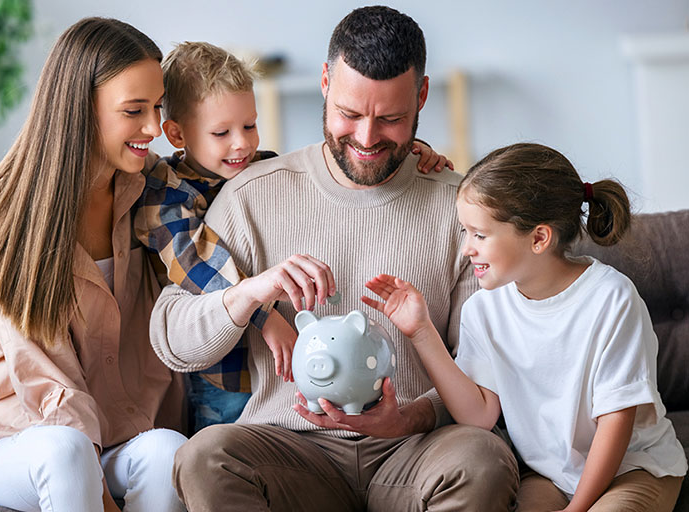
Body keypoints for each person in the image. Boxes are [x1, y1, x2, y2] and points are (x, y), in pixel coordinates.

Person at [150, 6, 518, 511]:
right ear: (325, 82)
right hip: (289, 449)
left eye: (390, 119)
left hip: (417, 449)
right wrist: (249, 294)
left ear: (422, 97)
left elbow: (486, 374)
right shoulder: (251, 193)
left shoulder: (461, 207)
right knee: (204, 457)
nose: (367, 139)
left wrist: (408, 418)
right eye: (350, 114)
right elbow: (171, 340)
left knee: (482, 459)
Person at [133, 41, 449, 433]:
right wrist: (266, 317)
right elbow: (197, 267)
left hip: (273, 373)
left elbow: (333, 157)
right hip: (225, 373)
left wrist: (408, 152)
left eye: (249, 125)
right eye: (222, 132)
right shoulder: (166, 196)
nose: (242, 143)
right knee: (222, 443)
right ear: (177, 134)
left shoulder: (259, 170)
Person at [0, 18, 188, 512]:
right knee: (66, 448)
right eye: (134, 111)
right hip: (19, 442)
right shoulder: (7, 219)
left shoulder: (150, 190)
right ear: (81, 109)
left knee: (168, 451)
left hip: (120, 436)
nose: (152, 128)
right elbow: (44, 382)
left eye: (157, 107)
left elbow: (214, 231)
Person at [362, 142, 687, 511]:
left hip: (634, 467)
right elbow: (478, 415)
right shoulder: (484, 310)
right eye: (464, 232)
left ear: (538, 238)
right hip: (551, 474)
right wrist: (421, 331)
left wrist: (576, 509)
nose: (467, 248)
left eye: (479, 235)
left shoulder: (611, 299)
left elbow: (616, 422)